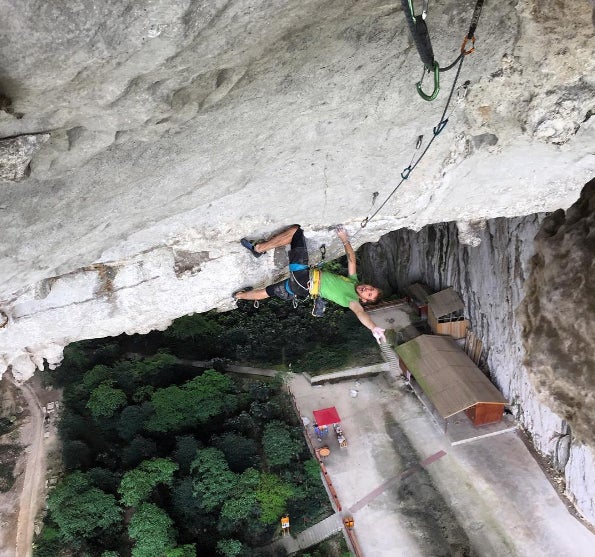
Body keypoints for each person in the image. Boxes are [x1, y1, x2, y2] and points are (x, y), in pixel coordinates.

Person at [234, 224, 387, 344]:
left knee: (296, 232)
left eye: (368, 293)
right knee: (267, 292)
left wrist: (373, 328)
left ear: (364, 300)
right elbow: (351, 259)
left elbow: (360, 313)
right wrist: (344, 239)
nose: (366, 289)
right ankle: (239, 296)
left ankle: (259, 249)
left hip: (304, 279)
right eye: (370, 288)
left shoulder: (352, 300)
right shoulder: (353, 282)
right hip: (300, 287)